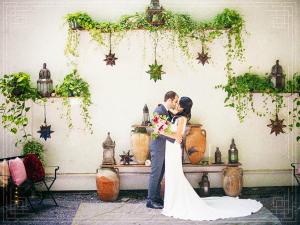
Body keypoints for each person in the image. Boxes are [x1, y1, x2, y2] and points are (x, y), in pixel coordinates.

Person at [161, 96, 263, 221]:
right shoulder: (177, 116)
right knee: (171, 174)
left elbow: (178, 136)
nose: (176, 104)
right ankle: (172, 202)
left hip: (174, 147)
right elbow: (168, 115)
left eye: (178, 103)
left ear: (182, 106)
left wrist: (162, 130)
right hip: (170, 148)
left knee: (174, 174)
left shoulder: (182, 118)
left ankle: (175, 203)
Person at [146, 91, 179, 209]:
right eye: (175, 101)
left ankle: (156, 198)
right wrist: (176, 137)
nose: (176, 104)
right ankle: (150, 200)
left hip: (164, 148)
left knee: (160, 174)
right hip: (158, 148)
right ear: (169, 100)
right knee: (156, 174)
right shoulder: (158, 111)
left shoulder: (166, 112)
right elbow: (161, 129)